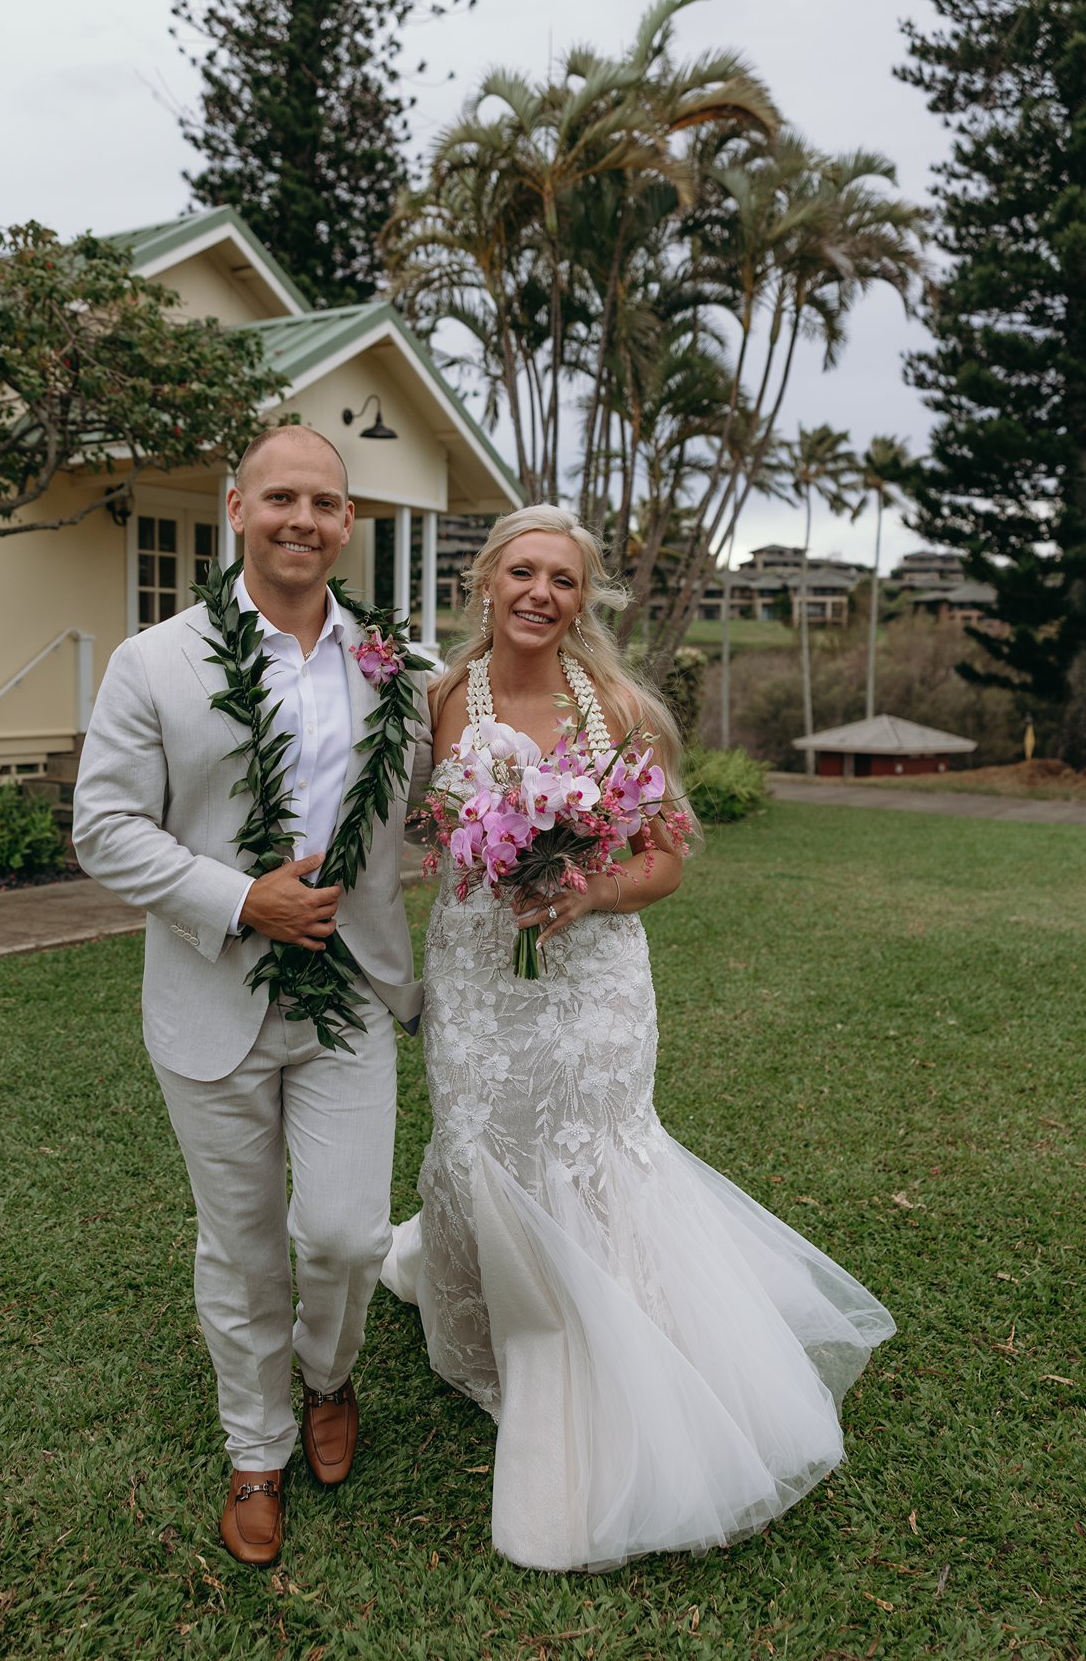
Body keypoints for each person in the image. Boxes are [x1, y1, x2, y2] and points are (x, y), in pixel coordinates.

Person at [383, 505, 895, 1572]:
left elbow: (663, 861)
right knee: (479, 1139)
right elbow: (415, 833)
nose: (539, 594)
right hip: (478, 972)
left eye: (562, 581)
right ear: (485, 581)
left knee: (590, 1147)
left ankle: (594, 1344)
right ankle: (488, 1319)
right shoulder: (434, 702)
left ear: (584, 599)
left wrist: (585, 891)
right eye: (521, 572)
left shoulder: (617, 708)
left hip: (593, 975)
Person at [73, 426, 430, 1568]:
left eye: (326, 503)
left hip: (353, 995)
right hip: (209, 997)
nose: (303, 520)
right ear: (236, 508)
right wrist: (240, 899)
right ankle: (257, 1449)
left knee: (342, 1233)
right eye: (282, 497)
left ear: (348, 523)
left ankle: (331, 1377)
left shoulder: (397, 668)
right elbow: (106, 830)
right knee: (240, 1247)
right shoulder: (156, 662)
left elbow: (443, 796)